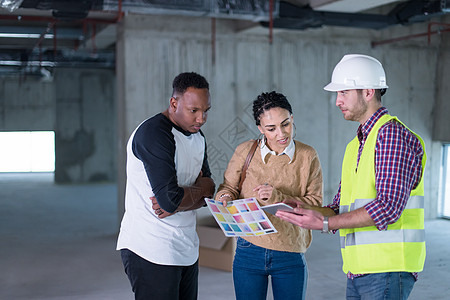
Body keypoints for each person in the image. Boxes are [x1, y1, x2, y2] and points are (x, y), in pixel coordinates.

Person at [276, 54, 426, 300]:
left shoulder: (392, 136)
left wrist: (324, 224)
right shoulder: (355, 145)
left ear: (368, 91)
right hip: (359, 269)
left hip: (388, 268)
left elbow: (388, 208)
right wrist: (305, 210)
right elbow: (339, 207)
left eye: (344, 92)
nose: (337, 101)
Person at [116, 72, 216, 300]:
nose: (201, 119)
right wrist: (193, 194)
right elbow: (169, 199)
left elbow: (210, 188)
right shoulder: (154, 134)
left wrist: (184, 199)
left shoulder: (198, 137)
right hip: (151, 246)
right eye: (194, 111)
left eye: (206, 111)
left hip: (186, 246)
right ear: (174, 103)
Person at [215, 91, 323, 300]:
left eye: (285, 124)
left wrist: (278, 197)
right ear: (260, 129)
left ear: (292, 118)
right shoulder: (245, 151)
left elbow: (315, 204)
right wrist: (224, 199)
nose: (281, 134)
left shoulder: (308, 155)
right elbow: (228, 187)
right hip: (249, 248)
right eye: (271, 129)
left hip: (290, 249)